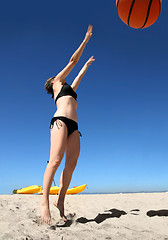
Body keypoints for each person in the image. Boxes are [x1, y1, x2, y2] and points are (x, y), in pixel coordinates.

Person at [41, 25, 95, 225]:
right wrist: (85, 41)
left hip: (74, 126)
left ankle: (60, 201)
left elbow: (78, 76)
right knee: (54, 161)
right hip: (60, 121)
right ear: (52, 84)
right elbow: (72, 61)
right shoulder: (57, 82)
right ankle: (44, 203)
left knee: (70, 166)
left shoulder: (69, 89)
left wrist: (87, 66)